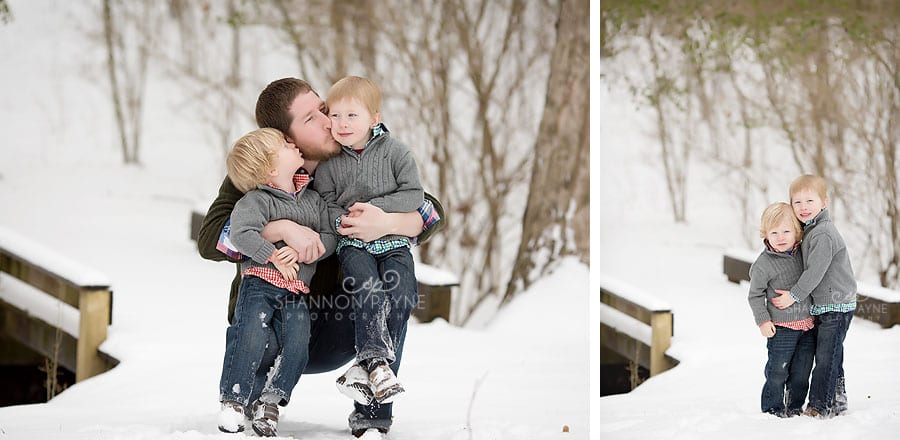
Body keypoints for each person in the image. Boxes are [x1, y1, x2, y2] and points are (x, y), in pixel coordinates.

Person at [197, 78, 444, 438]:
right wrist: (279, 227)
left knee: (395, 290)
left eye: (323, 109)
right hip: (273, 317)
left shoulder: (356, 153)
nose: (330, 121)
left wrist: (387, 222)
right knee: (261, 319)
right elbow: (210, 238)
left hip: (335, 322)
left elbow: (430, 208)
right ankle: (251, 397)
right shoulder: (261, 168)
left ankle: (373, 412)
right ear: (288, 138)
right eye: (312, 118)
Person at [217, 128, 337, 436]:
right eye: (284, 145)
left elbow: (329, 237)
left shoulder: (313, 201)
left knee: (298, 343)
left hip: (297, 290)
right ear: (271, 169)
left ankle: (271, 401)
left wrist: (306, 250)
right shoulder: (254, 202)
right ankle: (234, 401)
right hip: (259, 283)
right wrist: (270, 254)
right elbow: (240, 235)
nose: (292, 143)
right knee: (251, 336)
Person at [316, 76, 423, 404]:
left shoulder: (396, 153)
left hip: (394, 242)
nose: (342, 123)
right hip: (353, 244)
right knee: (369, 290)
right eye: (335, 115)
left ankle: (365, 377)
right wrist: (343, 220)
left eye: (352, 115)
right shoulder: (329, 163)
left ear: (374, 119)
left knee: (403, 296)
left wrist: (378, 212)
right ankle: (375, 361)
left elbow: (414, 194)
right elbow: (323, 204)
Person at [772, 174, 857, 418]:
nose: (803, 207)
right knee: (831, 353)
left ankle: (820, 406)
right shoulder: (809, 230)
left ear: (824, 202)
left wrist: (794, 296)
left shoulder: (822, 234)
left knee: (825, 356)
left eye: (810, 201)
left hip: (836, 303)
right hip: (825, 303)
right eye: (797, 203)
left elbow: (815, 272)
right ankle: (837, 399)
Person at [747, 202, 816, 418]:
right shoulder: (763, 264)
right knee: (778, 370)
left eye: (786, 231)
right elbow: (755, 295)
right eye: (774, 232)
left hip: (808, 326)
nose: (781, 237)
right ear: (765, 234)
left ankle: (794, 407)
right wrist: (763, 321)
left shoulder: (803, 254)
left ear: (797, 231)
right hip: (781, 328)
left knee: (801, 372)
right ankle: (772, 409)